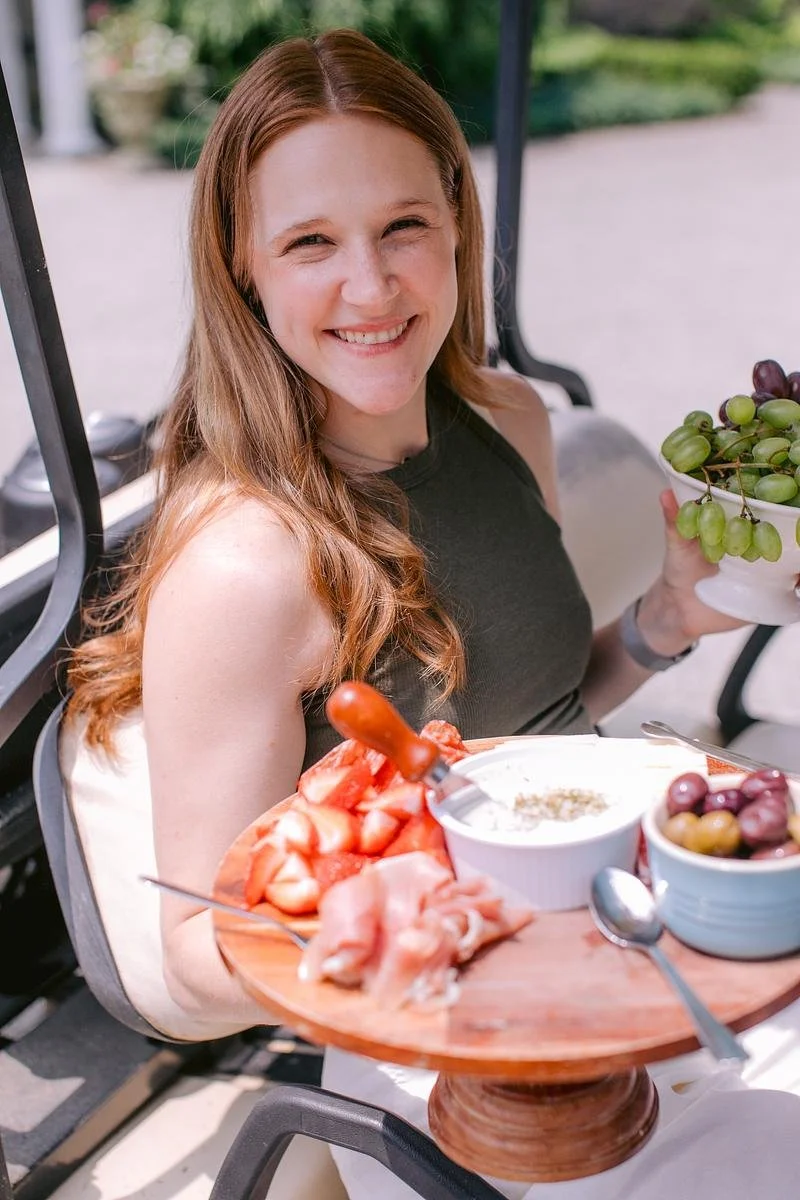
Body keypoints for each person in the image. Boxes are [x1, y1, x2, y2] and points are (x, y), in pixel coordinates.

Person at [62, 27, 800, 1200]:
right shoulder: (247, 562)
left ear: (456, 221)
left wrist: (662, 618)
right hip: (444, 1056)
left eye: (403, 225)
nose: (371, 284)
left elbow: (532, 715)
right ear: (242, 265)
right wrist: (393, 922)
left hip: (632, 943)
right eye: (311, 243)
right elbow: (196, 959)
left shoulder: (506, 419)